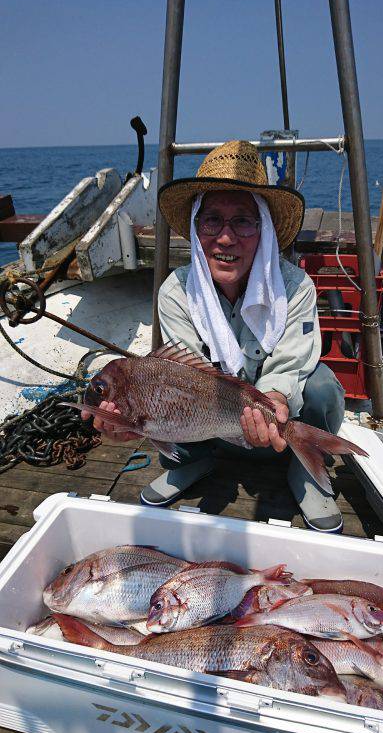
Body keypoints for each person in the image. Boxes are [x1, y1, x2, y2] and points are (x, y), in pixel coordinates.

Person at [86, 140, 345, 533]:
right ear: (195, 228)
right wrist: (129, 422)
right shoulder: (176, 291)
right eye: (211, 221)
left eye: (243, 221)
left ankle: (305, 465)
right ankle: (190, 460)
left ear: (263, 229)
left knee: (323, 386)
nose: (226, 238)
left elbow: (291, 364)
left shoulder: (296, 287)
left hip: (275, 424)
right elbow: (180, 377)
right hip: (209, 427)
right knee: (165, 391)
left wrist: (272, 403)